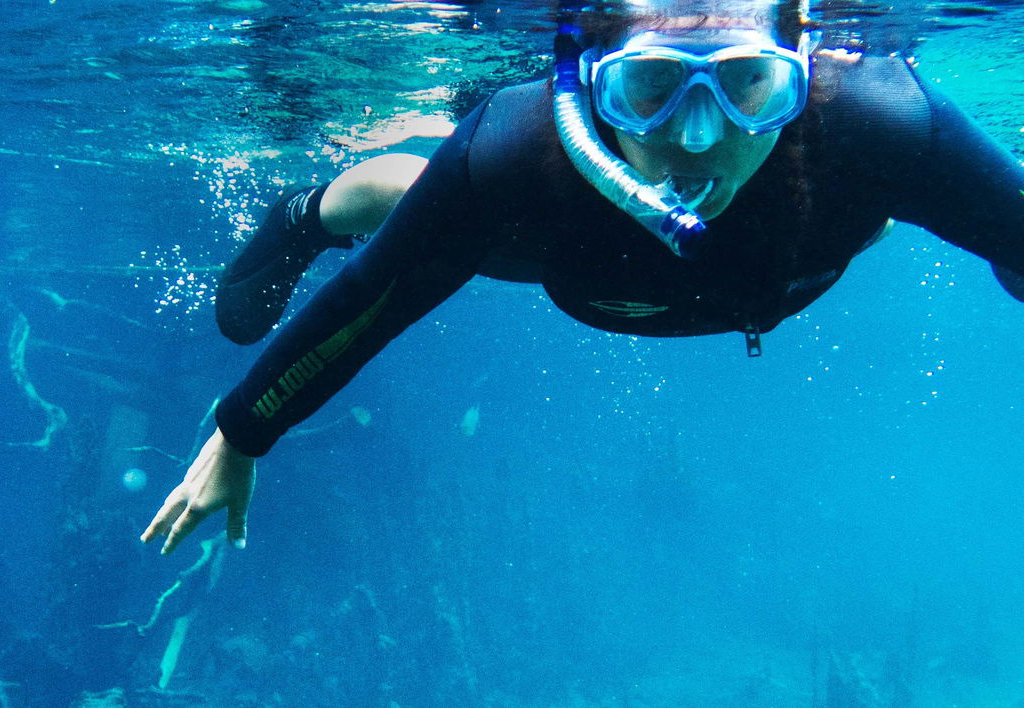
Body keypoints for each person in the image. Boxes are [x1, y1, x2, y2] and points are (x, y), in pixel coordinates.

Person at [141, 0, 1024, 554]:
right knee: (421, 205)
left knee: (873, 200)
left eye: (749, 85)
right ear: (589, 85)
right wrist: (242, 431)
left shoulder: (885, 124)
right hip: (571, 258)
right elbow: (375, 300)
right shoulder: (514, 153)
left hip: (791, 262)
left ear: (804, 68)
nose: (698, 138)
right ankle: (308, 213)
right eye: (651, 88)